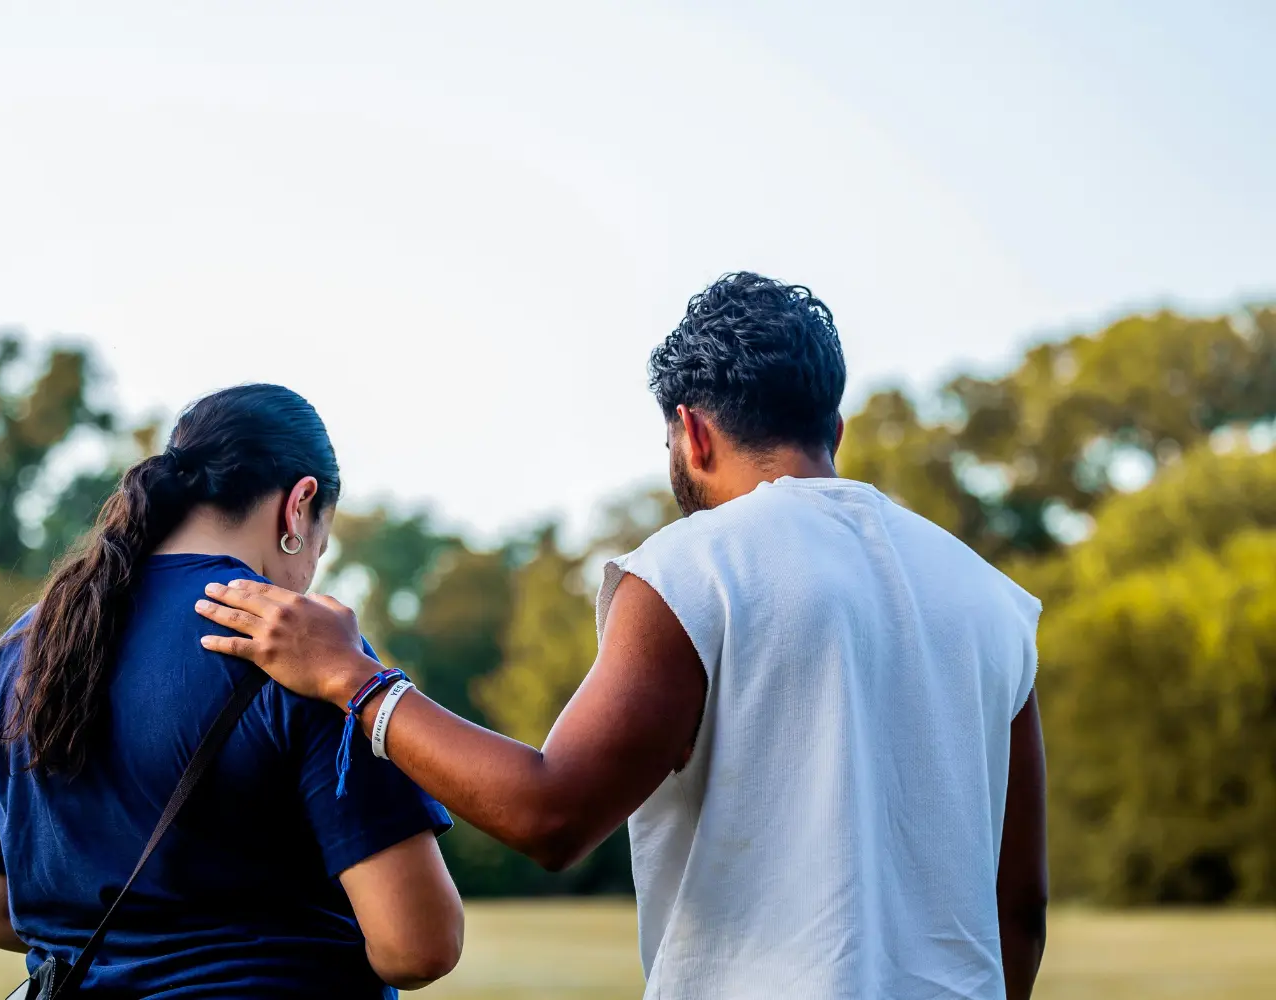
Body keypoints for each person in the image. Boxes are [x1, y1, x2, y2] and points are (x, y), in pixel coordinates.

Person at [195, 274, 1049, 1000]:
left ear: (692, 432)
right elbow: (1021, 908)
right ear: (834, 427)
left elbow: (552, 814)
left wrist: (356, 680)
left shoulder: (698, 568)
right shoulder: (992, 599)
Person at [0, 384, 463, 998]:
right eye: (323, 541)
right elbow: (419, 945)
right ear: (298, 507)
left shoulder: (18, 653)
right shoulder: (305, 655)